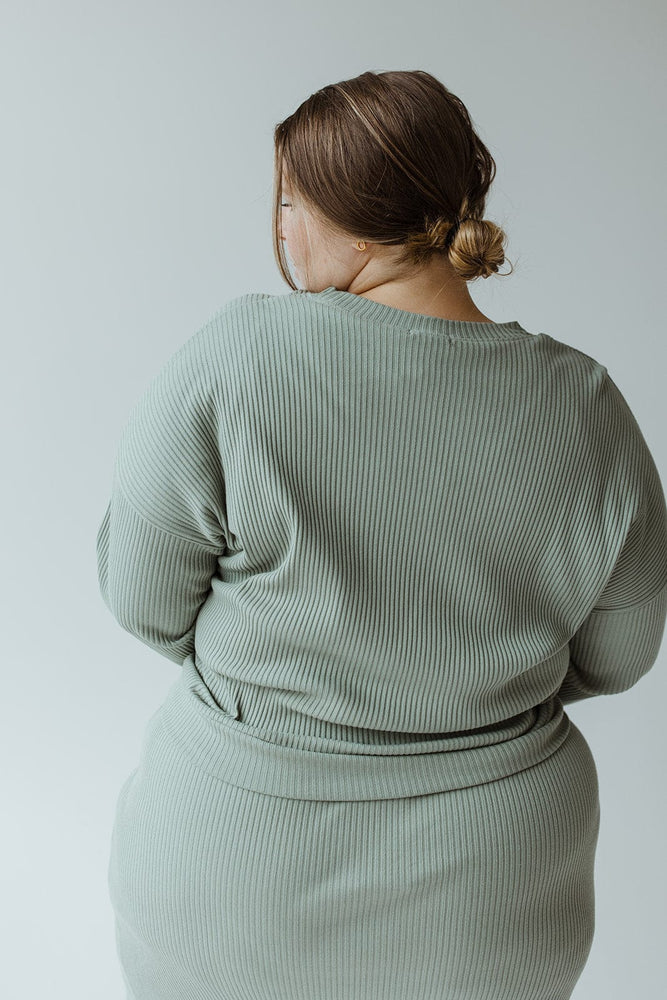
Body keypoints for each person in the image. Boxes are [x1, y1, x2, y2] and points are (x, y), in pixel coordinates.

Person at [97, 70, 667, 1000]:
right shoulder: (585, 403)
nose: (280, 228)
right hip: (491, 890)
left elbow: (143, 597)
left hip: (234, 867)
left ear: (355, 223)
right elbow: (619, 653)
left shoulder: (234, 357)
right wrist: (454, 685)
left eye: (289, 201)